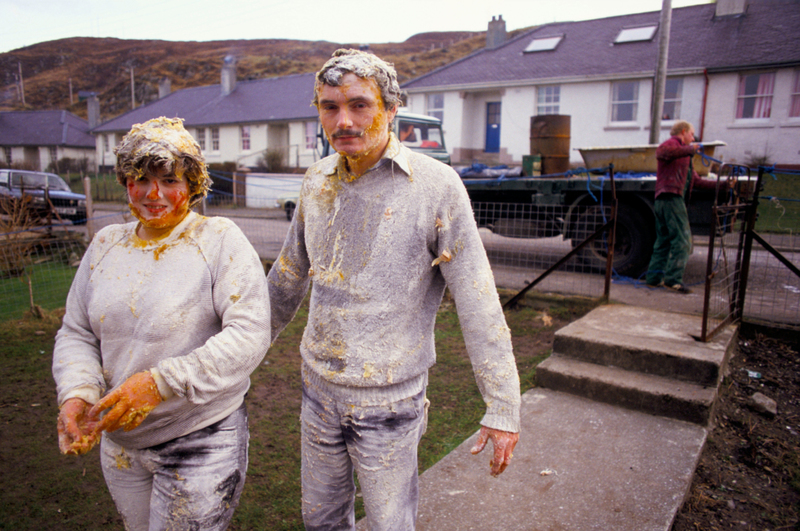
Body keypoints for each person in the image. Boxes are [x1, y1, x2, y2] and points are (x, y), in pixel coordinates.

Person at [267, 49, 521, 530]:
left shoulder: (435, 186)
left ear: (391, 108)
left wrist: (503, 405)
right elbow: (285, 280)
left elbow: (478, 300)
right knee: (320, 520)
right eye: (329, 106)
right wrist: (233, 364)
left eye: (359, 104)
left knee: (390, 523)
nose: (343, 120)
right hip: (317, 391)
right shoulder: (316, 180)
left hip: (390, 402)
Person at [52, 117, 271, 530]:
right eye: (141, 179)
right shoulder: (105, 244)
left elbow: (249, 334)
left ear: (192, 183)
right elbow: (77, 331)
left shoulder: (219, 239)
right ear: (124, 182)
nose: (155, 194)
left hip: (199, 436)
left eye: (170, 180)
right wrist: (77, 393)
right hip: (119, 443)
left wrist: (159, 384)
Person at [645, 120, 720, 294]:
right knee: (683, 241)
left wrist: (721, 186)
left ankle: (653, 279)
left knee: (663, 240)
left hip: (663, 200)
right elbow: (662, 151)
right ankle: (673, 280)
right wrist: (691, 149)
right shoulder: (672, 145)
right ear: (683, 131)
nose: (693, 138)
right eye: (691, 134)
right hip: (671, 199)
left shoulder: (685, 156)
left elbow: (697, 181)